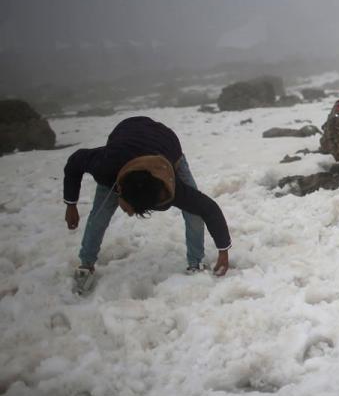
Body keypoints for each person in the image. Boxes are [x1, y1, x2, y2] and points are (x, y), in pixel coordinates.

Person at [63, 116, 232, 294]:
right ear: (118, 189)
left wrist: (223, 252)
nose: (128, 214)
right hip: (125, 137)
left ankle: (196, 262)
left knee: (194, 211)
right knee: (100, 214)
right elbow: (75, 161)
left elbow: (209, 208)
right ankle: (86, 264)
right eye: (128, 209)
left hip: (167, 146)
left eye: (130, 211)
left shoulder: (172, 189)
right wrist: (70, 204)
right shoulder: (105, 167)